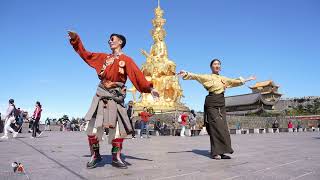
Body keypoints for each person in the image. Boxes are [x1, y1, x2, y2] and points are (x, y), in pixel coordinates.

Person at [68, 31, 159, 169]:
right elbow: (86, 55)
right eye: (109, 40)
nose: (110, 41)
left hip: (116, 97)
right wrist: (76, 40)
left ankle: (116, 157)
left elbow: (137, 76)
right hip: (101, 95)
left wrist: (150, 89)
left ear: (120, 42)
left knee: (118, 131)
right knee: (92, 129)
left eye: (112, 39)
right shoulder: (104, 57)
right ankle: (95, 155)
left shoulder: (127, 60)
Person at [178, 58, 255, 160]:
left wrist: (247, 79)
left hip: (221, 102)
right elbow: (196, 76)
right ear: (211, 67)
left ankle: (222, 151)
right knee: (215, 127)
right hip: (212, 102)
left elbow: (234, 82)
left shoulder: (223, 78)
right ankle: (215, 153)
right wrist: (186, 73)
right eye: (215, 64)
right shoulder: (207, 77)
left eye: (218, 64)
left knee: (223, 128)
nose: (217, 65)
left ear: (220, 67)